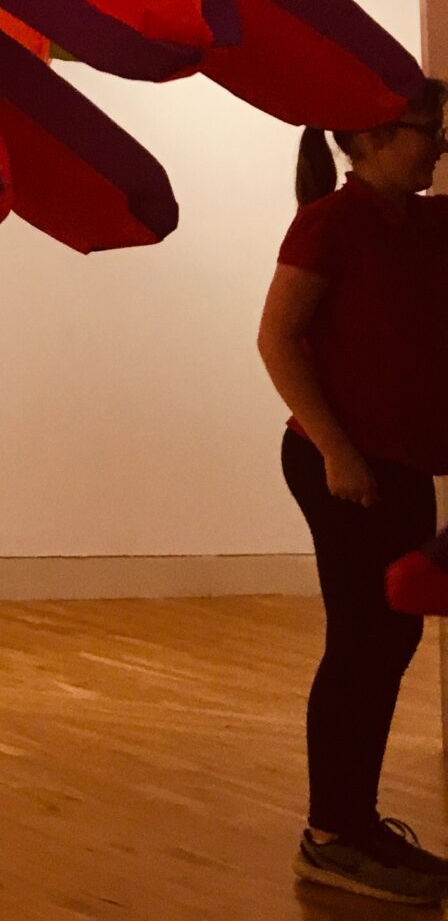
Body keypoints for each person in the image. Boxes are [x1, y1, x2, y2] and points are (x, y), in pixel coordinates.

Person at [257, 80, 448, 907]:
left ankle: (355, 823)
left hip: (399, 466)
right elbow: (276, 338)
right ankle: (332, 834)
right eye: (427, 130)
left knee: (390, 640)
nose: (439, 145)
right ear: (370, 137)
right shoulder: (330, 224)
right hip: (344, 468)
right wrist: (337, 451)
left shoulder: (426, 224)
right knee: (362, 643)